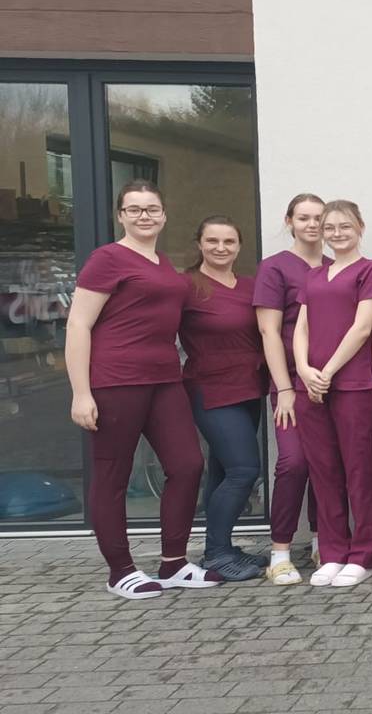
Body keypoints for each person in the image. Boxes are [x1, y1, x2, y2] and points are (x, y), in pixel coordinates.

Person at [67, 180, 220, 599]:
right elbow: (78, 324)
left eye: (151, 209)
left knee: (187, 465)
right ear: (121, 216)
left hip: (165, 379)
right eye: (134, 209)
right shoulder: (107, 259)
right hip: (116, 379)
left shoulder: (162, 262)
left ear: (164, 215)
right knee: (112, 473)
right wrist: (81, 392)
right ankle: (120, 571)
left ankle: (173, 563)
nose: (144, 216)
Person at [293, 199, 372, 588]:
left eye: (344, 226)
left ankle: (363, 555)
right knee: (323, 470)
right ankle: (333, 553)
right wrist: (304, 370)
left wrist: (328, 371)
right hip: (312, 386)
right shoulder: (314, 275)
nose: (336, 233)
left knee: (357, 470)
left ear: (359, 226)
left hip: (352, 384)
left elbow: (363, 328)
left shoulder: (371, 270)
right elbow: (301, 327)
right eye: (329, 227)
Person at [180, 216, 268, 582]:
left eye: (229, 242)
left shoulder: (250, 286)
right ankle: (216, 554)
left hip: (249, 387)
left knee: (223, 471)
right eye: (212, 241)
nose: (220, 248)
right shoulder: (186, 286)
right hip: (211, 389)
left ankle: (223, 547)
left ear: (239, 246)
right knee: (244, 470)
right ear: (199, 244)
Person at [254, 193, 328, 586]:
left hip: (329, 384)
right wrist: (283, 387)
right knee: (293, 462)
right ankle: (280, 553)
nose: (312, 224)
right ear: (290, 221)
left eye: (319, 217)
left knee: (325, 464)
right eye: (304, 217)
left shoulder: (335, 267)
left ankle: (322, 542)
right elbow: (269, 331)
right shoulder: (275, 268)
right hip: (291, 386)